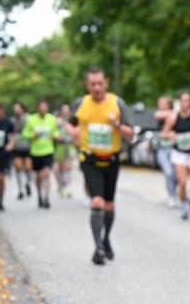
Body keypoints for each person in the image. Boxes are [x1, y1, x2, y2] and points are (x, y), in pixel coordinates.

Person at [67, 67, 134, 265]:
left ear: (106, 83)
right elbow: (69, 123)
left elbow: (130, 135)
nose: (96, 87)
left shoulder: (117, 103)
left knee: (109, 205)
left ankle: (105, 240)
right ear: (87, 85)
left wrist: (117, 126)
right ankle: (98, 248)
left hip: (111, 160)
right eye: (92, 84)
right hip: (90, 159)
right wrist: (73, 132)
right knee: (97, 201)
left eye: (100, 83)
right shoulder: (80, 104)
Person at [161, 92, 190, 220]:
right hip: (179, 153)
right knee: (182, 183)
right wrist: (172, 136)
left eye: (187, 101)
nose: (185, 103)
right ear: (179, 102)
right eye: (183, 101)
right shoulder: (173, 117)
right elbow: (163, 134)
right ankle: (184, 205)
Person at [22, 100, 59, 209]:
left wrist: (55, 136)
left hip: (48, 150)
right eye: (41, 108)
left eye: (45, 108)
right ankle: (39, 195)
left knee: (47, 174)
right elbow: (25, 134)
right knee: (38, 176)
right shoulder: (31, 119)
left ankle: (47, 198)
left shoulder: (52, 119)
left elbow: (56, 131)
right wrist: (33, 135)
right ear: (38, 108)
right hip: (35, 152)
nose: (43, 110)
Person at [153, 95, 179, 207]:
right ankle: (171, 195)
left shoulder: (175, 114)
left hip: (175, 148)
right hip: (162, 148)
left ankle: (175, 192)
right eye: (160, 102)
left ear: (169, 103)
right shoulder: (159, 114)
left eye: (163, 102)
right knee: (168, 172)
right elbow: (161, 115)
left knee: (176, 174)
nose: (160, 104)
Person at [10, 101, 32, 199]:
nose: (16, 111)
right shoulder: (12, 121)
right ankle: (20, 190)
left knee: (28, 168)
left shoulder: (29, 119)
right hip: (17, 148)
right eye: (15, 109)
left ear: (22, 109)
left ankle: (28, 183)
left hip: (27, 147)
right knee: (18, 167)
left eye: (18, 109)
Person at [54, 103, 76, 198]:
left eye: (67, 111)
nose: (65, 113)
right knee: (58, 169)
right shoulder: (57, 121)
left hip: (70, 146)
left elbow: (75, 132)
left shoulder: (72, 121)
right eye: (64, 111)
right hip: (59, 146)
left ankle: (66, 188)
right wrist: (57, 136)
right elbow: (53, 132)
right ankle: (61, 186)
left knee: (68, 167)